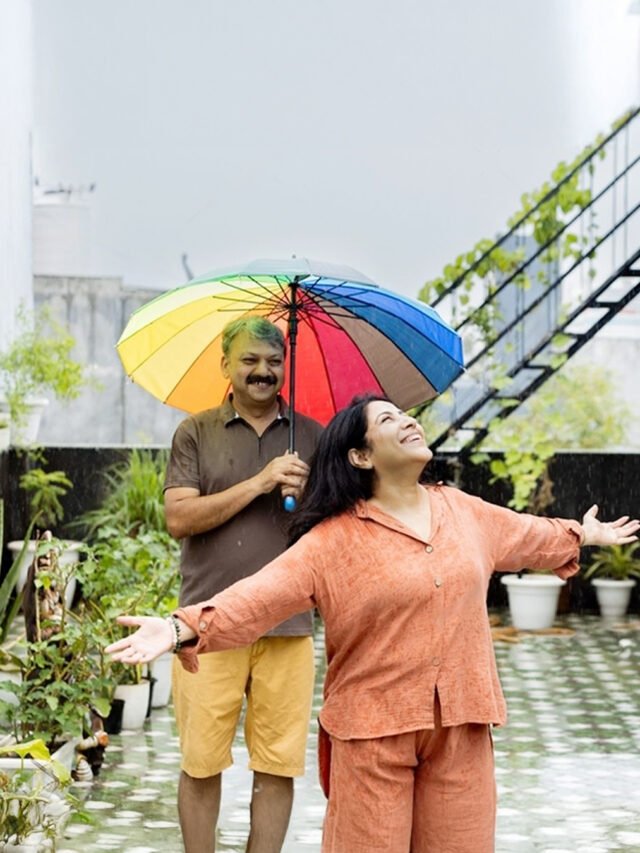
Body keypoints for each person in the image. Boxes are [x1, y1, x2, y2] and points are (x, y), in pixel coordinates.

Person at [108, 393, 639, 853]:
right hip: (371, 735)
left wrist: (582, 535)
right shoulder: (333, 540)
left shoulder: (462, 511)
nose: (408, 422)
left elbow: (528, 535)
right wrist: (179, 628)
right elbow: (258, 598)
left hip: (462, 721)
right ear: (361, 455)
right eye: (387, 422)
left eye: (405, 416)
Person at [162, 316, 323, 853]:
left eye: (274, 362)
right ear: (226, 365)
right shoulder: (195, 432)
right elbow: (179, 519)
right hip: (206, 625)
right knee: (202, 761)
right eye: (250, 360)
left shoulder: (313, 437)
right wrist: (259, 483)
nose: (263, 372)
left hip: (288, 623)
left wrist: (311, 497)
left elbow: (336, 532)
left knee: (277, 765)